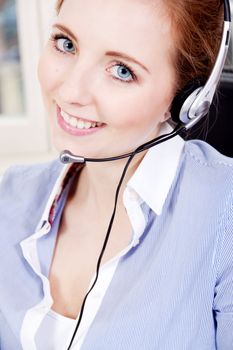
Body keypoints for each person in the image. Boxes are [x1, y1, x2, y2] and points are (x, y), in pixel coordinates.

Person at [0, 0, 232, 349]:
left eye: (122, 70)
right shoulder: (10, 196)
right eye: (66, 44)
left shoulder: (223, 217)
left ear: (187, 99)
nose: (71, 92)